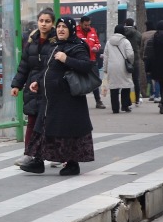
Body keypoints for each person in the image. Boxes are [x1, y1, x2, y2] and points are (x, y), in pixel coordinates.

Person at [26, 16, 97, 175]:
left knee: (67, 131)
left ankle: (72, 164)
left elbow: (86, 66)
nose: (60, 29)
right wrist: (38, 81)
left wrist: (67, 59)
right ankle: (37, 161)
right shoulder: (55, 45)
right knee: (43, 127)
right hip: (50, 99)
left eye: (64, 27)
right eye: (58, 27)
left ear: (71, 29)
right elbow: (48, 68)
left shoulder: (77, 46)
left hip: (68, 101)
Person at [11, 10, 56, 173]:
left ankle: (56, 154)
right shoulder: (31, 41)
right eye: (41, 20)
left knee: (51, 122)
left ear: (52, 23)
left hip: (49, 86)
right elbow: (24, 65)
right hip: (32, 86)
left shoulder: (56, 42)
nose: (44, 24)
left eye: (47, 21)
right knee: (32, 120)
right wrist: (16, 85)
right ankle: (29, 154)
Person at [143, 20, 163, 113]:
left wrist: (148, 67)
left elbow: (148, 54)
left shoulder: (152, 39)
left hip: (156, 66)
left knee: (162, 84)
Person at [105, 23, 135, 113]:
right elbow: (130, 54)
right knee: (125, 85)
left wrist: (105, 68)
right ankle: (125, 106)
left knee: (114, 87)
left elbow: (106, 56)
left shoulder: (108, 42)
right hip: (123, 66)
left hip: (112, 66)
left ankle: (115, 108)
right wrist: (130, 62)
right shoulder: (125, 41)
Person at [75, 15, 104, 109]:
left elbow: (98, 43)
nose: (88, 27)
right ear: (81, 24)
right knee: (79, 82)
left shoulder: (92, 31)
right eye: (85, 25)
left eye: (89, 25)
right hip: (80, 61)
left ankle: (98, 101)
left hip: (92, 60)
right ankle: (78, 103)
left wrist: (96, 47)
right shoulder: (75, 31)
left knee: (95, 80)